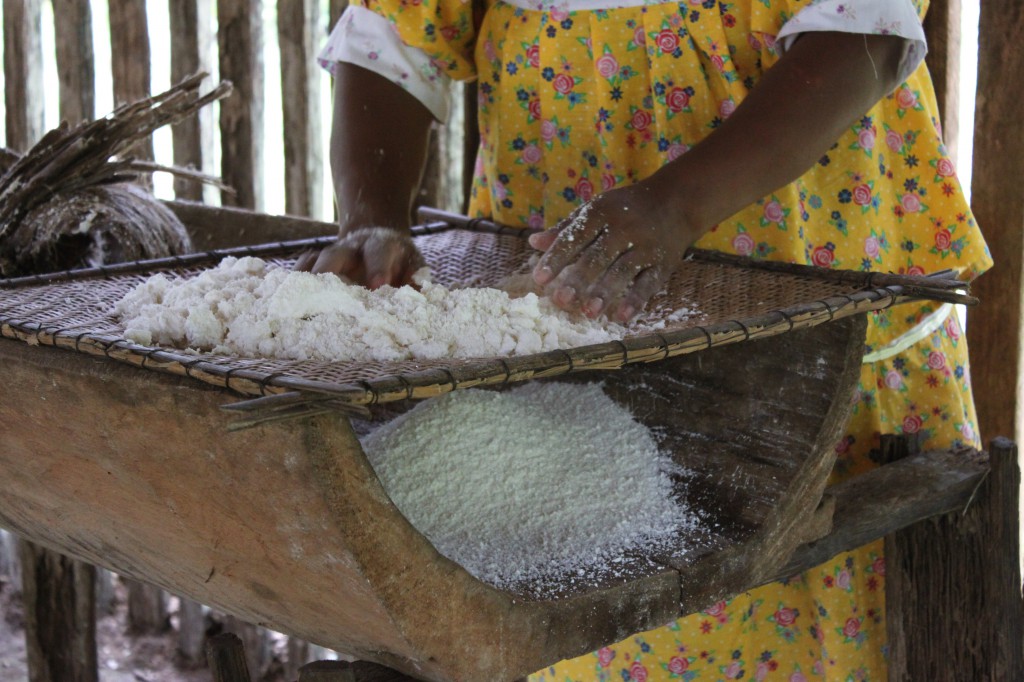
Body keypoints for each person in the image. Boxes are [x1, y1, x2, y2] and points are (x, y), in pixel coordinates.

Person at [311, 0, 992, 679]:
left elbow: (863, 35)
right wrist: (371, 218)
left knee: (825, 611)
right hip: (560, 331)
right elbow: (388, 45)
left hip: (810, 306)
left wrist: (674, 206)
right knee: (584, 592)